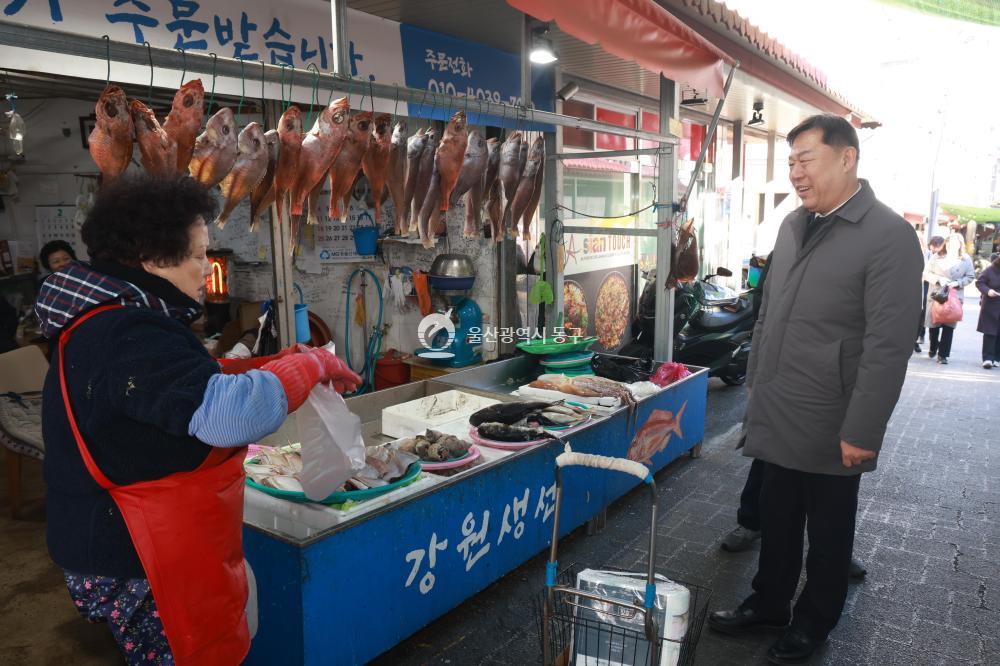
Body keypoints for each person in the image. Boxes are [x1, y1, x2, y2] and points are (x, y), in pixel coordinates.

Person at [36, 175, 361, 664]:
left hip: (122, 538)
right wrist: (309, 365)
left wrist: (280, 361)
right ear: (152, 258)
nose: (204, 267)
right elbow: (228, 415)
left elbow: (188, 382)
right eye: (196, 254)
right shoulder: (125, 329)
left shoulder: (112, 315)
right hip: (133, 553)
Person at [708, 115, 922, 664]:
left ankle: (813, 621)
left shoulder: (889, 236)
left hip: (834, 414)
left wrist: (863, 430)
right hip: (779, 403)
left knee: (828, 536)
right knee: (777, 519)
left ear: (847, 157)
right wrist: (755, 381)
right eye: (791, 163)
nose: (796, 173)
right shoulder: (793, 224)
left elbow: (888, 345)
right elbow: (767, 312)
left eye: (807, 159)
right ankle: (769, 602)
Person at [923, 232, 975, 364]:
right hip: (936, 295)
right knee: (933, 325)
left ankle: (943, 355)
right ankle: (933, 346)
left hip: (954, 297)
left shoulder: (965, 259)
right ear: (946, 243)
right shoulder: (936, 256)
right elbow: (926, 273)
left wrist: (957, 283)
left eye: (956, 243)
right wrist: (939, 279)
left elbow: (970, 276)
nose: (953, 245)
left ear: (960, 245)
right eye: (950, 243)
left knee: (949, 326)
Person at [915, 236, 944, 354]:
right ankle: (916, 338)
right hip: (919, 286)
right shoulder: (923, 254)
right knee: (920, 314)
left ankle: (921, 339)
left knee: (927, 314)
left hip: (930, 286)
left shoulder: (931, 255)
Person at [976, 252, 1000, 368]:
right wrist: (988, 291)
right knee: (990, 332)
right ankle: (987, 358)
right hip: (991, 304)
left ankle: (996, 358)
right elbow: (980, 282)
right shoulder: (990, 270)